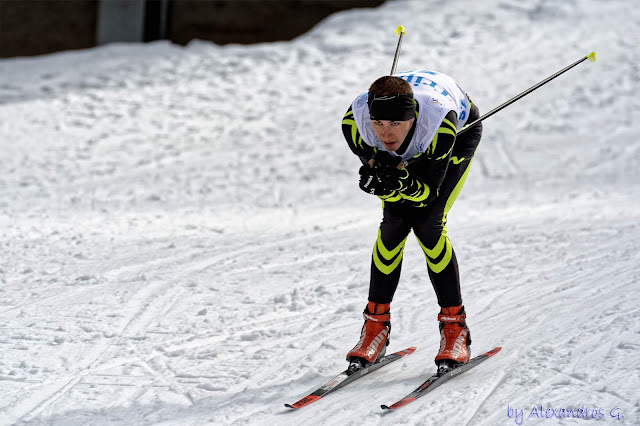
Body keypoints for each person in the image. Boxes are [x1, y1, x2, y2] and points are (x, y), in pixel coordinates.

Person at [341, 70, 483, 372]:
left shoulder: (439, 125)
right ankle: (374, 329)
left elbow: (427, 193)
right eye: (378, 123)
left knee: (428, 225)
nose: (385, 133)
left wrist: (400, 182)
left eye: (395, 123)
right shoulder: (354, 121)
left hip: (460, 133)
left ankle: (455, 330)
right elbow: (372, 158)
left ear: (413, 117)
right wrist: (376, 168)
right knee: (392, 227)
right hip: (421, 135)